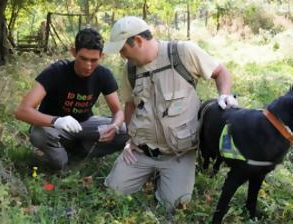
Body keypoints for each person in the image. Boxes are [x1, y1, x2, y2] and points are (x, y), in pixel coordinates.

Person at [103, 16, 238, 211]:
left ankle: (169, 176)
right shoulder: (130, 69)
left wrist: (224, 95)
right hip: (143, 149)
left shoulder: (182, 52)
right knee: (114, 191)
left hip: (178, 153)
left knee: (175, 204)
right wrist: (130, 139)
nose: (123, 56)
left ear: (139, 41)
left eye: (123, 49)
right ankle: (148, 171)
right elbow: (130, 104)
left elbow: (220, 72)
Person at [14, 28, 128, 170]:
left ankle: (79, 152)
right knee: (39, 135)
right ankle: (63, 163)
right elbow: (22, 111)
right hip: (53, 127)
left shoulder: (103, 75)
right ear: (74, 52)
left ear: (102, 56)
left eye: (94, 60)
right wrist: (56, 121)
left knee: (125, 130)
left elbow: (118, 111)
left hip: (84, 124)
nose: (88, 65)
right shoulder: (56, 71)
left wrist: (114, 126)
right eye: (83, 58)